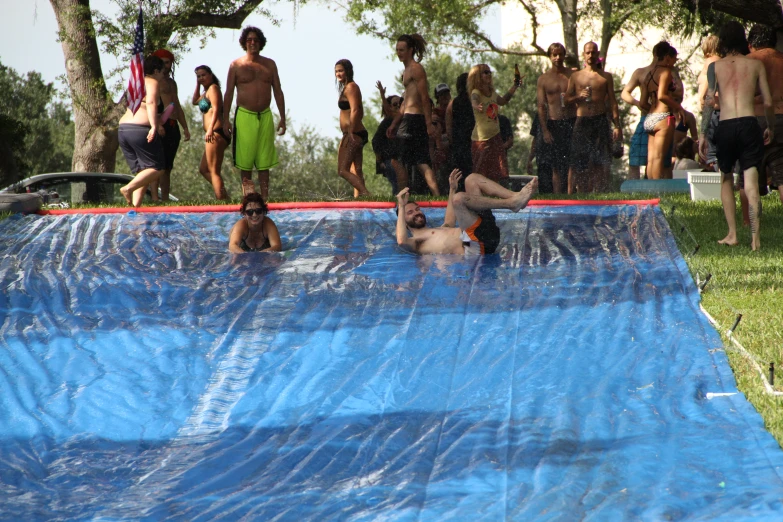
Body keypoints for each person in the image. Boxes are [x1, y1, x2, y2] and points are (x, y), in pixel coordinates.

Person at [699, 21, 774, 251]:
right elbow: (768, 101)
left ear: (722, 41)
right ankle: (755, 239)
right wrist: (769, 125)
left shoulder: (714, 67)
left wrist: (702, 133)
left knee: (726, 178)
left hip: (726, 125)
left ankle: (732, 234)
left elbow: (709, 101)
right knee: (750, 182)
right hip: (750, 124)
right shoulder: (755, 65)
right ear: (743, 39)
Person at [396, 169, 538, 255]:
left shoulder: (439, 229)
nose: (416, 213)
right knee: (459, 199)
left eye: (417, 209)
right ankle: (511, 204)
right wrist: (401, 206)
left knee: (472, 179)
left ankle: (515, 196)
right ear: (403, 222)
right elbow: (401, 241)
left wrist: (452, 189)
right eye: (410, 213)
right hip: (475, 248)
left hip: (484, 233)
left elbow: (450, 220)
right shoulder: (416, 242)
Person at [224, 26, 286, 200]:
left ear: (261, 43)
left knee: (264, 161)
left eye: (256, 40)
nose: (253, 43)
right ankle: (249, 199)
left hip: (265, 115)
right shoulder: (236, 65)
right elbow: (228, 93)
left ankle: (265, 198)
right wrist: (225, 120)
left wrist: (282, 118)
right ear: (244, 42)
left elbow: (278, 91)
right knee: (246, 161)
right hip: (245, 115)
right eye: (249, 40)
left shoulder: (269, 64)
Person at [564, 42, 622, 193]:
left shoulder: (605, 77)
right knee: (579, 159)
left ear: (598, 55)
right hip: (582, 120)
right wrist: (578, 96)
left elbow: (613, 102)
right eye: (588, 52)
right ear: (583, 54)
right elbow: (566, 100)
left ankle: (600, 191)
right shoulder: (575, 76)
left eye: (593, 52)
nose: (591, 55)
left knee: (601, 159)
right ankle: (581, 192)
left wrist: (617, 126)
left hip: (600, 119)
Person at [386, 34, 440, 196]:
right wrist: (394, 123)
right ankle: (435, 195)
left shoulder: (416, 69)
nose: (399, 53)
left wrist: (429, 123)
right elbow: (405, 102)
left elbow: (425, 97)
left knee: (400, 159)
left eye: (402, 50)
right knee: (418, 162)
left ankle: (403, 194)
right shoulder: (406, 71)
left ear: (410, 50)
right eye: (397, 50)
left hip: (414, 121)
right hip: (408, 118)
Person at [117, 55, 166, 207]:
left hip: (124, 129)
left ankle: (135, 207)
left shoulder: (135, 83)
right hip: (139, 129)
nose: (163, 75)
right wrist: (153, 125)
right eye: (163, 72)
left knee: (144, 171)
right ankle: (128, 188)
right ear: (156, 71)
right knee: (158, 168)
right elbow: (150, 102)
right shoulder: (152, 81)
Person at [748, 24, 783, 204]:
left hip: (753, 119)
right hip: (781, 118)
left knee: (748, 176)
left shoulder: (747, 61)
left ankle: (748, 224)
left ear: (750, 44)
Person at [468, 63, 521, 182]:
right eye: (485, 72)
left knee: (499, 171)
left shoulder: (492, 92)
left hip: (495, 136)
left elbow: (503, 101)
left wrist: (515, 86)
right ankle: (480, 197)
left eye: (489, 72)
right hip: (481, 139)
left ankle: (498, 195)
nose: (489, 74)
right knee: (481, 171)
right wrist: (476, 105)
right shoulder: (476, 91)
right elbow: (474, 99)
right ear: (478, 76)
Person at [639, 41, 685, 180]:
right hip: (663, 116)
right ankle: (656, 191)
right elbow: (662, 96)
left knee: (651, 159)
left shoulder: (649, 74)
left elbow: (642, 102)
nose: (673, 63)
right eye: (673, 59)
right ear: (667, 57)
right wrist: (678, 107)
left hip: (650, 118)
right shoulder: (666, 72)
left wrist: (652, 110)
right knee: (659, 158)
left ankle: (649, 192)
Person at [149, 49, 190, 202]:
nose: (166, 66)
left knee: (167, 167)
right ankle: (154, 198)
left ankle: (165, 199)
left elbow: (177, 105)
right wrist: (157, 124)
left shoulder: (172, 83)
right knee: (157, 166)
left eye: (168, 62)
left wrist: (185, 127)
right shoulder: (154, 82)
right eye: (163, 62)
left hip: (173, 125)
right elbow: (152, 105)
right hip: (161, 124)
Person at [537, 42, 576, 192]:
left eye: (560, 54)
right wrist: (545, 130)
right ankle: (558, 195)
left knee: (572, 162)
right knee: (556, 165)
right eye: (554, 55)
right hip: (554, 123)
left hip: (571, 121)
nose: (558, 57)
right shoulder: (543, 79)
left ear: (564, 55)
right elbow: (541, 106)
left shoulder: (572, 75)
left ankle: (571, 194)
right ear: (550, 56)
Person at [192, 65, 229, 200]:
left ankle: (222, 202)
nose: (201, 78)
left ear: (210, 75)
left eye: (203, 75)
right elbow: (194, 101)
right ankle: (225, 198)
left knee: (214, 171)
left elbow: (216, 109)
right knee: (204, 169)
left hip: (216, 132)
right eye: (198, 76)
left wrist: (210, 129)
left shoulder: (213, 88)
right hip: (213, 133)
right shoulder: (206, 91)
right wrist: (197, 84)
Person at [335, 59, 371, 197]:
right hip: (355, 132)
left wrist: (350, 131)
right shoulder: (347, 87)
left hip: (353, 132)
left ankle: (366, 194)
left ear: (348, 71)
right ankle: (359, 199)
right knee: (357, 169)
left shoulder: (351, 87)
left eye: (341, 71)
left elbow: (356, 110)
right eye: (336, 71)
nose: (338, 74)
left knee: (343, 170)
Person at [622, 49, 658, 180]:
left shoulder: (670, 73)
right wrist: (637, 103)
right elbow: (625, 93)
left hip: (662, 118)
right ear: (655, 55)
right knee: (635, 156)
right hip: (645, 117)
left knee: (657, 157)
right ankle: (633, 190)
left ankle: (653, 187)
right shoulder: (641, 72)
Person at [373, 83, 406, 195]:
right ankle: (397, 206)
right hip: (388, 159)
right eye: (395, 104)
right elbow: (375, 142)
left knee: (401, 183)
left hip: (397, 157)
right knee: (397, 184)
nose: (398, 106)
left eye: (400, 103)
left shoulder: (402, 119)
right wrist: (379, 160)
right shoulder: (389, 120)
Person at [445, 72, 474, 185]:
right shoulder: (476, 101)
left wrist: (453, 142)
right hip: (473, 142)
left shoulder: (452, 103)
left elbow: (448, 128)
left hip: (459, 145)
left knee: (460, 175)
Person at [697, 35, 721, 171]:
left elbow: (708, 82)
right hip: (715, 110)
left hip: (714, 110)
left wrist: (702, 98)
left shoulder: (712, 61)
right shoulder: (715, 61)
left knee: (712, 154)